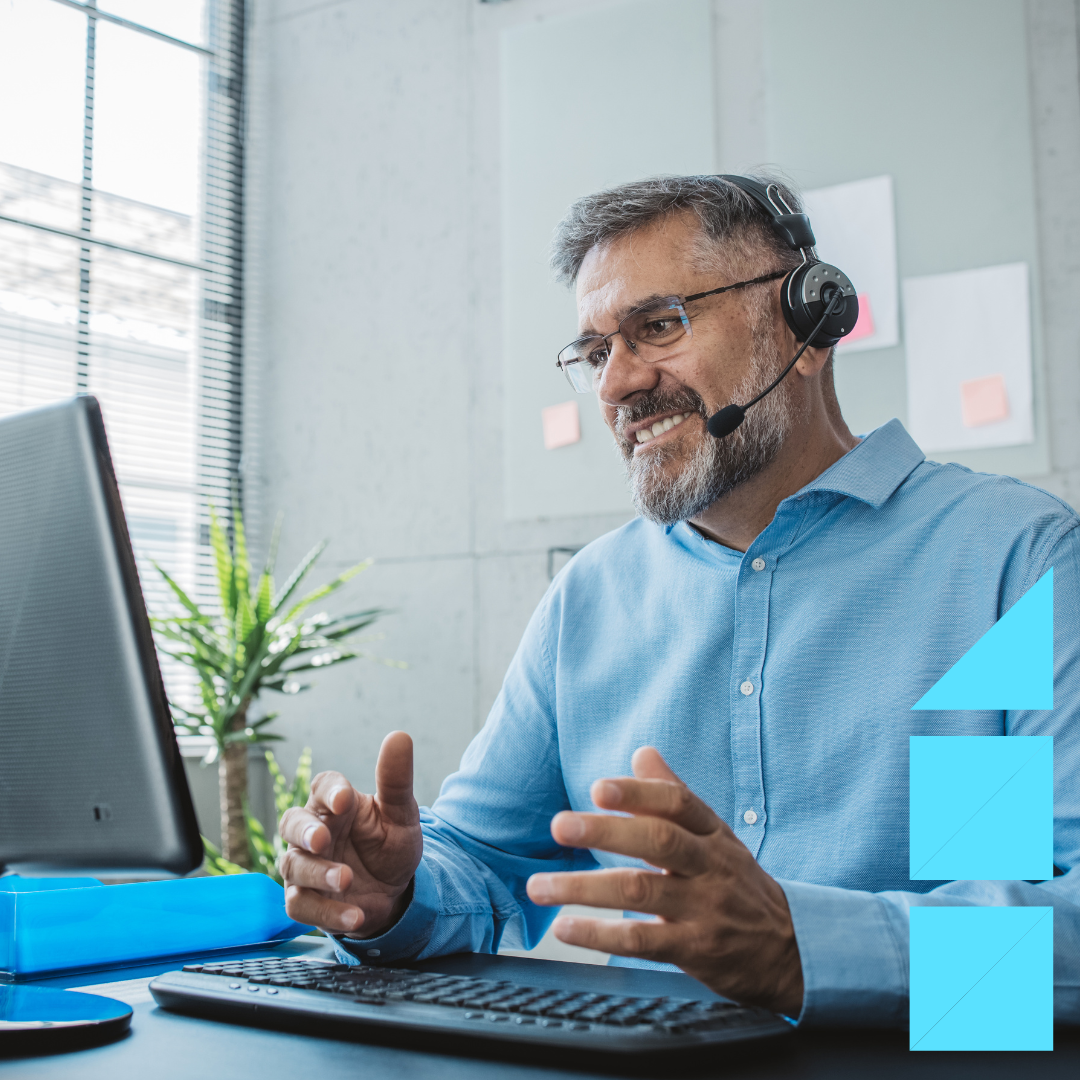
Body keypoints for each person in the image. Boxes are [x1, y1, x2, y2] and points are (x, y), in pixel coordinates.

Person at [279, 174, 1080, 1025]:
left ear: (808, 324)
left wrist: (804, 949)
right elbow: (479, 866)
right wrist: (392, 893)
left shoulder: (1013, 563)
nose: (615, 385)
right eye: (595, 353)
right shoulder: (588, 597)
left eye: (657, 326)